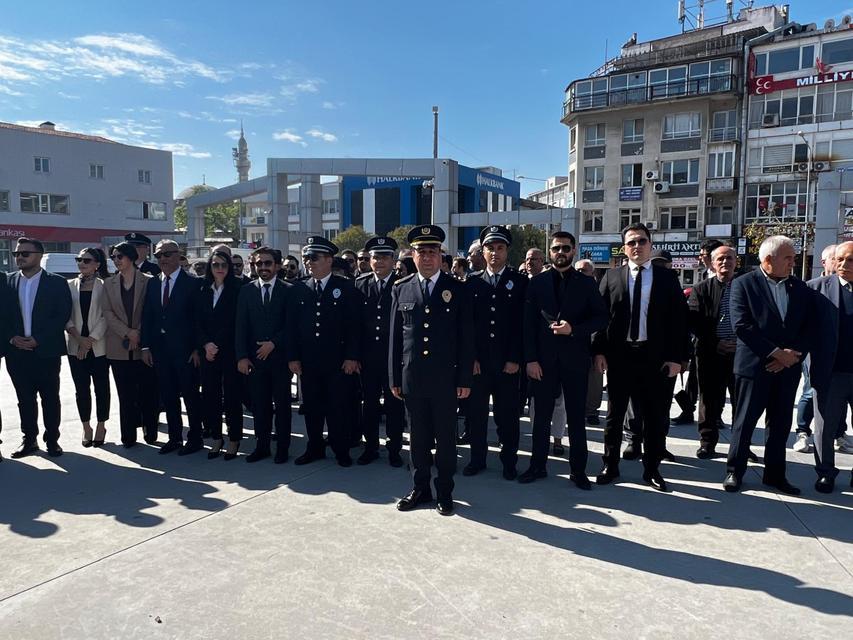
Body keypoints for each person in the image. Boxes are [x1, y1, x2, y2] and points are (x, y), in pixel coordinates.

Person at [592, 223, 687, 492]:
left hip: (654, 358)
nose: (637, 246)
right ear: (624, 248)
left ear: (650, 244)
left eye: (642, 241)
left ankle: (652, 469)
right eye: (631, 242)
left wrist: (676, 358)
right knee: (614, 415)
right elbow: (601, 317)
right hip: (620, 357)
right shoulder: (611, 277)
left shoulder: (666, 278)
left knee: (655, 416)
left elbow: (678, 321)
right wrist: (598, 351)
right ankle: (610, 465)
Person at [391, 225, 474, 515]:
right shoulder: (401, 288)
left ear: (441, 256)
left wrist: (464, 377)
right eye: (421, 252)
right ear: (412, 256)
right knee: (417, 439)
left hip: (446, 380)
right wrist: (394, 377)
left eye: (432, 252)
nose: (427, 257)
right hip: (412, 378)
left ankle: (445, 491)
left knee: (446, 440)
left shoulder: (457, 289)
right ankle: (420, 488)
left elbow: (466, 339)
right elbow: (396, 338)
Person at [723, 236, 812, 495]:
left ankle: (775, 475)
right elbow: (742, 326)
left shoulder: (800, 288)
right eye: (788, 258)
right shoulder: (743, 284)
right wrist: (775, 353)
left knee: (781, 423)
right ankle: (734, 471)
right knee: (745, 422)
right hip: (753, 368)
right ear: (768, 260)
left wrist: (792, 356)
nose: (793, 262)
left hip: (788, 369)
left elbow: (809, 326)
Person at [522, 231, 607, 489]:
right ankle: (537, 466)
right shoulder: (536, 283)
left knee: (576, 417)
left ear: (574, 251)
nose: (561, 252)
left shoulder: (587, 283)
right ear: (550, 252)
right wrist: (531, 360)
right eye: (557, 248)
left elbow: (602, 318)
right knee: (540, 418)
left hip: (575, 361)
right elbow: (527, 325)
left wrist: (575, 329)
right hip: (543, 363)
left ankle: (578, 471)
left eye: (566, 248)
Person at [289, 236, 362, 467]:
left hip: (337, 361)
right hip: (309, 362)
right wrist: (293, 357)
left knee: (337, 407)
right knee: (312, 408)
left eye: (314, 258)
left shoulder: (345, 288)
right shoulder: (299, 288)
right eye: (306, 258)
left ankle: (341, 449)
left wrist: (352, 356)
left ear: (329, 260)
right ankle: (315, 447)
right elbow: (292, 326)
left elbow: (354, 326)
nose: (309, 262)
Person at [465, 225, 528, 480]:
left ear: (507, 251)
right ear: (483, 251)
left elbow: (522, 325)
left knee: (508, 416)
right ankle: (477, 459)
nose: (494, 253)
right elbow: (467, 326)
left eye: (500, 248)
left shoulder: (520, 282)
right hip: (480, 364)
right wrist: (472, 358)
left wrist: (515, 358)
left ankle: (509, 461)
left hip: (507, 364)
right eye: (490, 248)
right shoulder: (472, 283)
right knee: (476, 416)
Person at [6, 237, 72, 458]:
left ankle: (52, 439)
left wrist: (39, 339)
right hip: (16, 352)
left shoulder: (56, 282)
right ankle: (29, 439)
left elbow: (61, 315)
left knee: (50, 397)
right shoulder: (8, 282)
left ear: (39, 255)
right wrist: (12, 338)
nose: (20, 257)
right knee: (24, 399)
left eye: (25, 253)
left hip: (46, 351)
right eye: (17, 254)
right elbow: (2, 316)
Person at [140, 239, 203, 455]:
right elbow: (147, 316)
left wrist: (197, 348)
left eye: (166, 255)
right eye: (158, 256)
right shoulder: (153, 283)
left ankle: (194, 439)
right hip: (160, 350)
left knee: (190, 395)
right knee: (168, 396)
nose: (162, 260)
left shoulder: (193, 283)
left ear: (178, 255)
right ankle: (175, 438)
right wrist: (145, 347)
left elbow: (198, 320)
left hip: (186, 351)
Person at [235, 247, 296, 463]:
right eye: (259, 264)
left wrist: (273, 343)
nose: (263, 268)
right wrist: (241, 356)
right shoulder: (246, 291)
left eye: (267, 263)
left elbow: (292, 325)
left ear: (277, 266)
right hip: (255, 361)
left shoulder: (289, 290)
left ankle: (282, 448)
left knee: (282, 406)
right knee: (260, 406)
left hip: (280, 360)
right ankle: (262, 446)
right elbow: (241, 326)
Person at [354, 236, 404, 466]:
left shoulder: (403, 284)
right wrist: (354, 355)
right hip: (368, 358)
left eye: (385, 257)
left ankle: (394, 449)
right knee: (370, 405)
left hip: (393, 358)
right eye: (376, 257)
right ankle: (371, 446)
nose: (380, 261)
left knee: (394, 406)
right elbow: (352, 325)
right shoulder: (360, 283)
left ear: (393, 260)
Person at [807, 241, 853, 493]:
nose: (844, 265)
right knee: (825, 426)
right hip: (830, 372)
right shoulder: (816, 290)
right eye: (840, 259)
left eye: (851, 260)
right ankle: (825, 472)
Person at [103, 242, 158, 447]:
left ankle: (150, 430)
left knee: (148, 392)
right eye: (113, 257)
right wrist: (128, 332)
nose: (116, 261)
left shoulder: (150, 281)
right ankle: (128, 434)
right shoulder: (109, 283)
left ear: (131, 258)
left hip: (145, 346)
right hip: (119, 346)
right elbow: (107, 313)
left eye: (120, 256)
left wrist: (139, 334)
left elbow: (153, 311)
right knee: (125, 394)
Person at [688, 243, 740, 459]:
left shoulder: (747, 286)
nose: (725, 262)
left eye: (729, 258)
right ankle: (707, 442)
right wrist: (715, 342)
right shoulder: (701, 289)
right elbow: (694, 321)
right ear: (712, 262)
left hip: (741, 353)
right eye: (720, 259)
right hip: (711, 352)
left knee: (741, 401)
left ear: (736, 262)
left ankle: (740, 445)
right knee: (709, 400)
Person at [196, 251, 243, 460]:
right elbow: (195, 321)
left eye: (224, 264)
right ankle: (216, 436)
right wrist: (206, 344)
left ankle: (234, 439)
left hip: (229, 351)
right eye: (215, 264)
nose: (220, 268)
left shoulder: (238, 288)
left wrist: (217, 344)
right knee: (210, 396)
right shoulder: (202, 288)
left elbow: (236, 322)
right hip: (208, 352)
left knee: (232, 397)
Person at [794, 243, 840, 453]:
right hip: (815, 353)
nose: (841, 263)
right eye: (836, 258)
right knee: (810, 391)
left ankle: (839, 433)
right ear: (825, 262)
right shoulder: (812, 287)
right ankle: (803, 432)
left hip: (842, 355)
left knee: (838, 396)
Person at [65, 248, 111, 447]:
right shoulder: (69, 286)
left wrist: (90, 340)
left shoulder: (105, 286)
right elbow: (64, 315)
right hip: (75, 346)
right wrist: (79, 339)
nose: (81, 263)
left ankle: (101, 424)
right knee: (81, 388)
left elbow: (106, 316)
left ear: (97, 264)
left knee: (101, 388)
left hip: (99, 346)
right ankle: (86, 427)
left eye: (86, 260)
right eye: (79, 259)